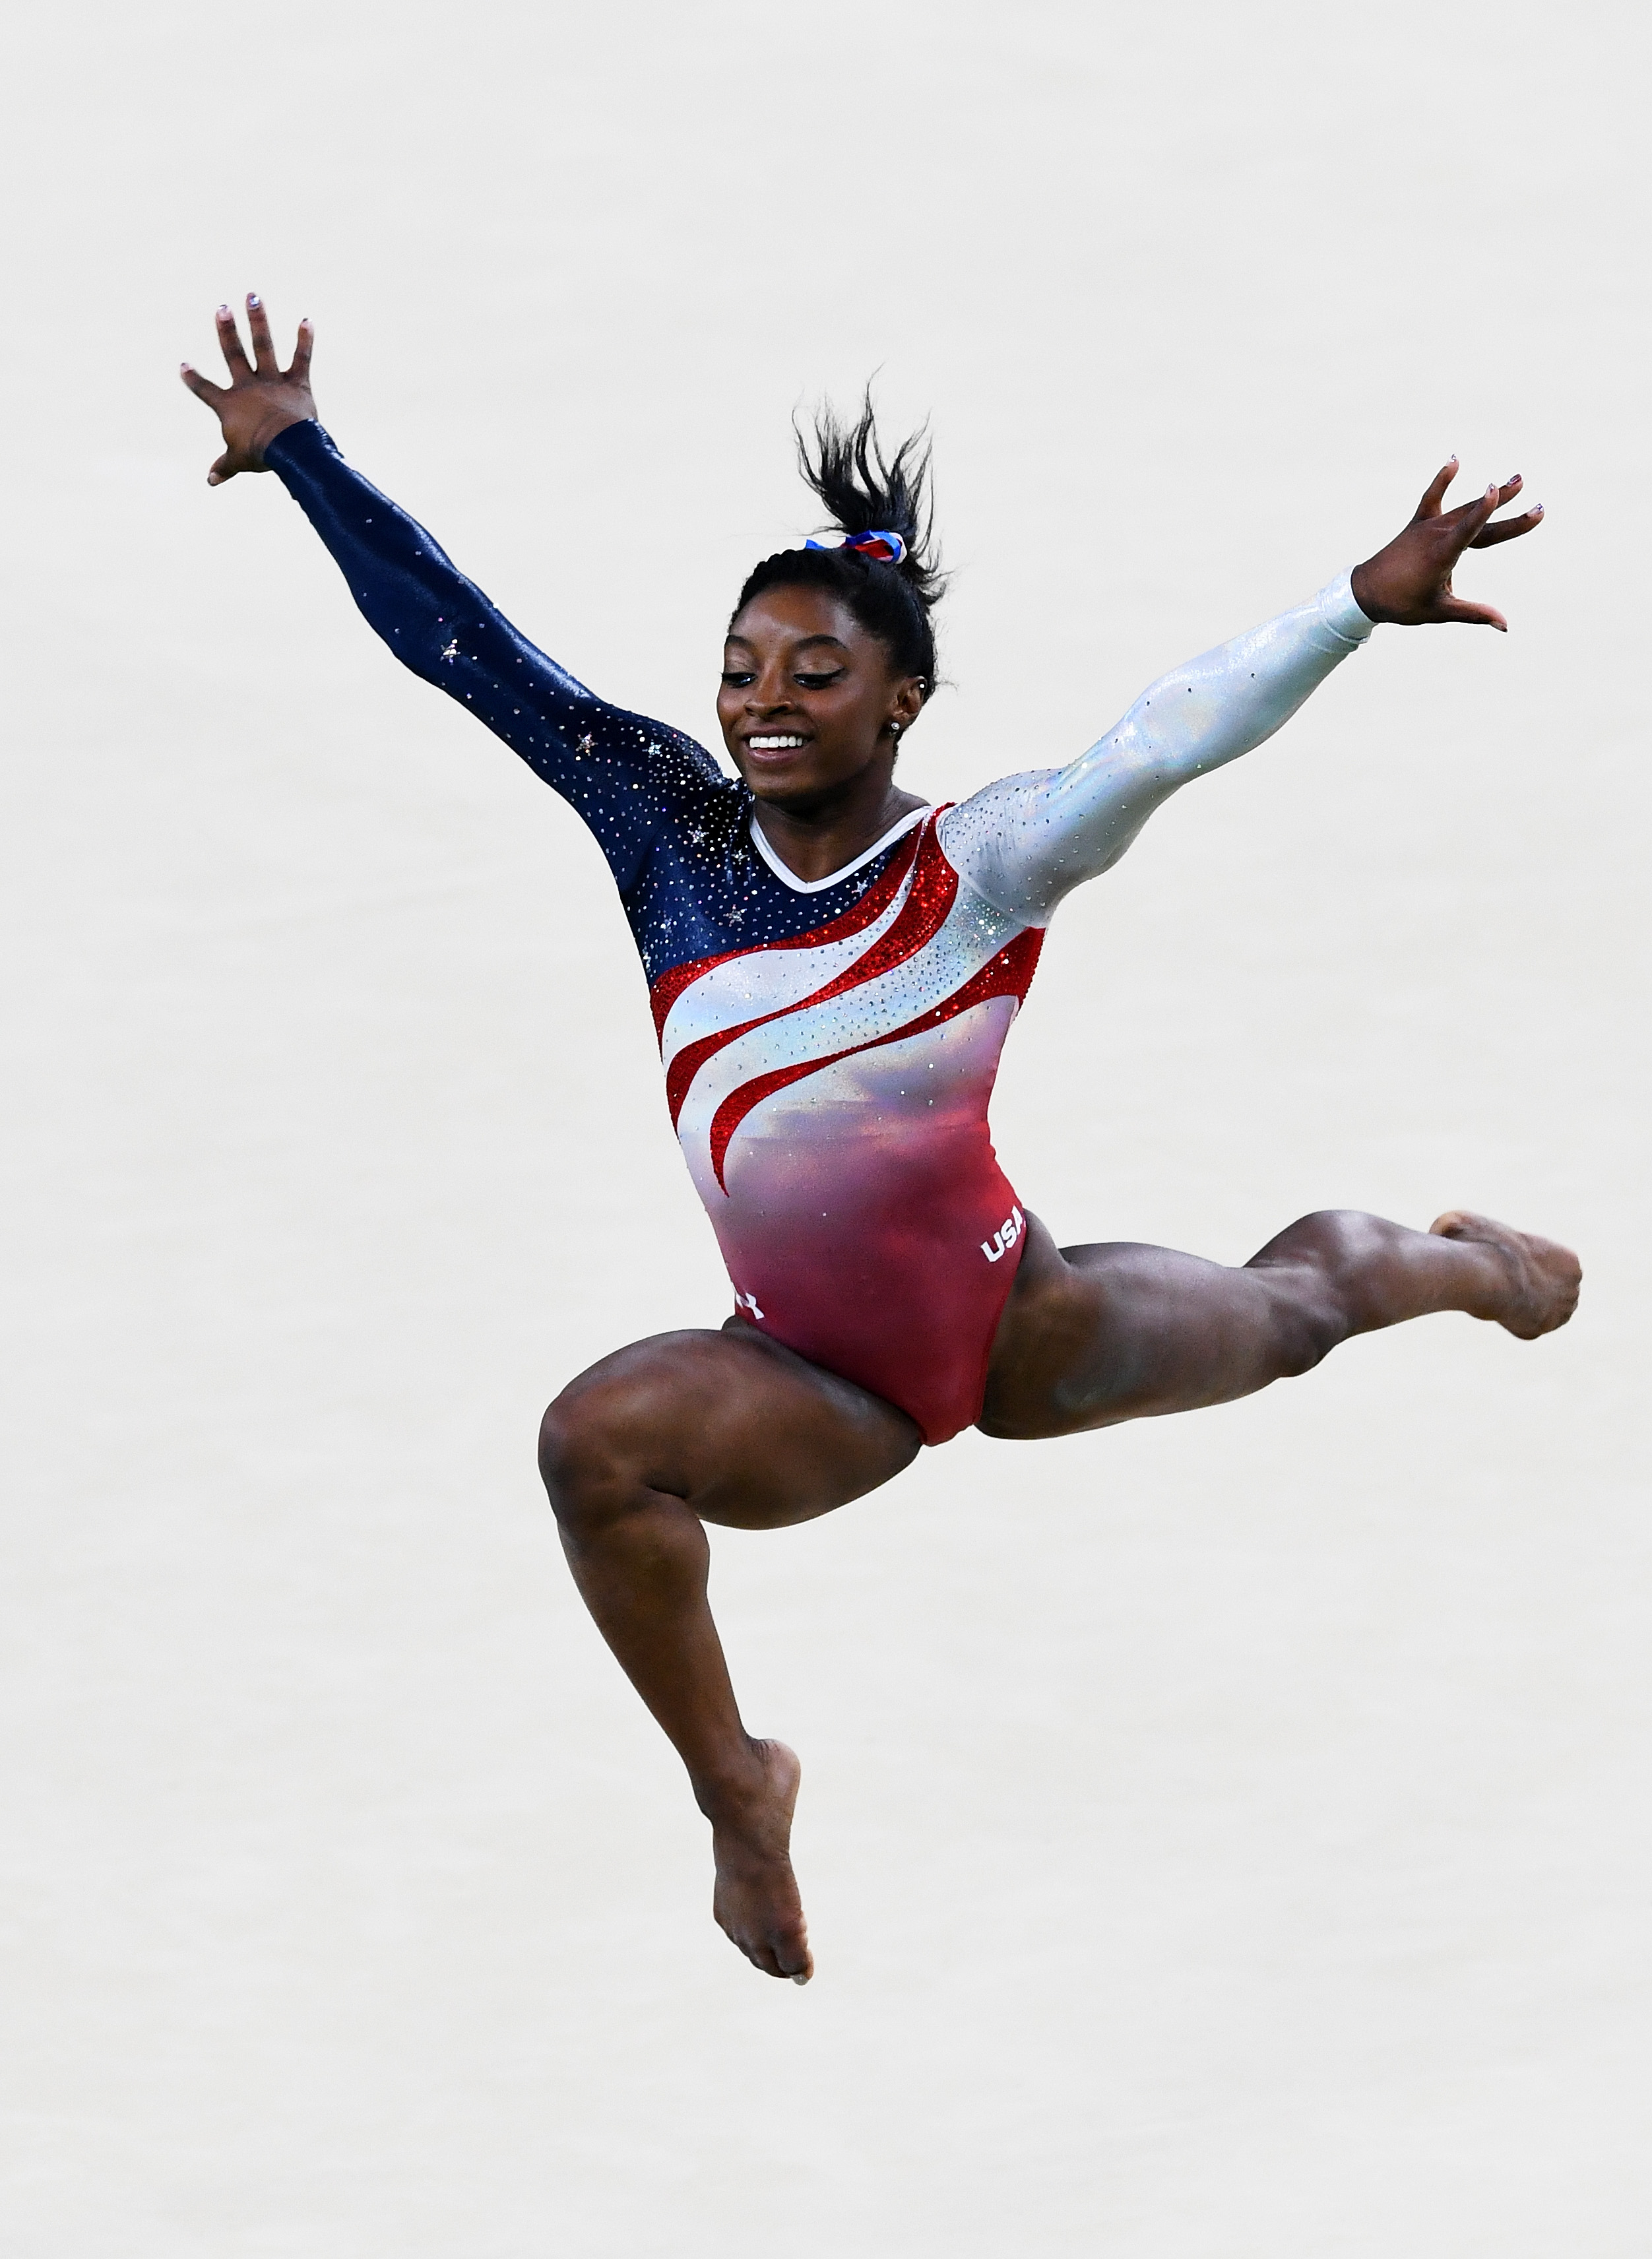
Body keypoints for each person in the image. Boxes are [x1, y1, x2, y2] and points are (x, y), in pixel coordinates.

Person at [183, 295, 1579, 1985]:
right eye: (742, 670)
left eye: (816, 674)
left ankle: (1458, 1259)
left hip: (1013, 1320)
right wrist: (304, 460)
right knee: (594, 1447)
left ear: (901, 698)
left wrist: (1352, 606)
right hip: (810, 1379)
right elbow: (467, 647)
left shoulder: (980, 861)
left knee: (1293, 1312)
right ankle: (740, 1787)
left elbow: (1168, 734)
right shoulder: (665, 828)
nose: (764, 703)